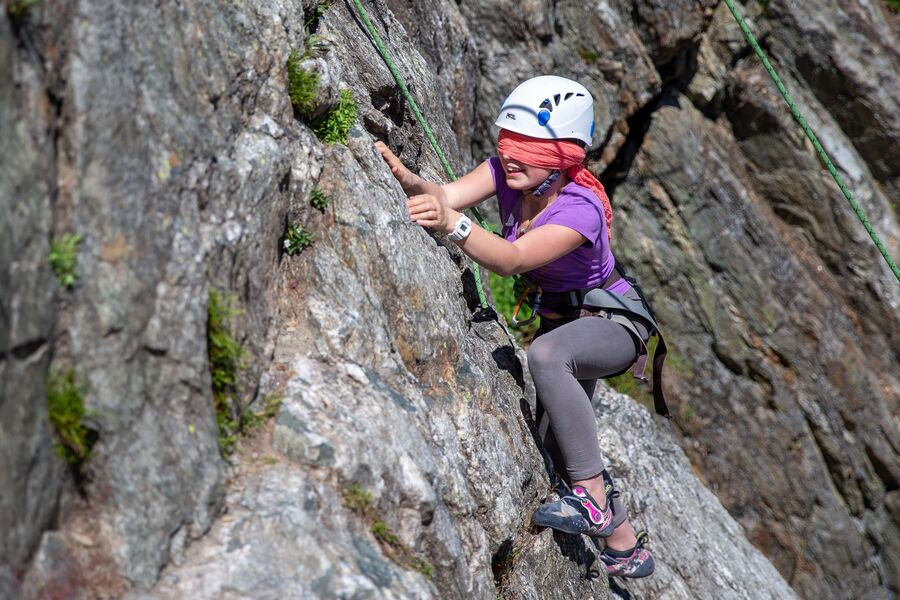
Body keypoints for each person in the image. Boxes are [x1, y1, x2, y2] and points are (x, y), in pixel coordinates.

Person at [376, 75, 655, 578]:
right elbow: (448, 195)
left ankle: (593, 501)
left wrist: (452, 223)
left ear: (563, 158)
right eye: (508, 143)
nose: (510, 156)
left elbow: (511, 260)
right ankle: (624, 544)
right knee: (560, 448)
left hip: (612, 325)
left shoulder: (581, 210)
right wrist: (415, 185)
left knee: (547, 357)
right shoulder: (505, 172)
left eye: (528, 150)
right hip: (564, 324)